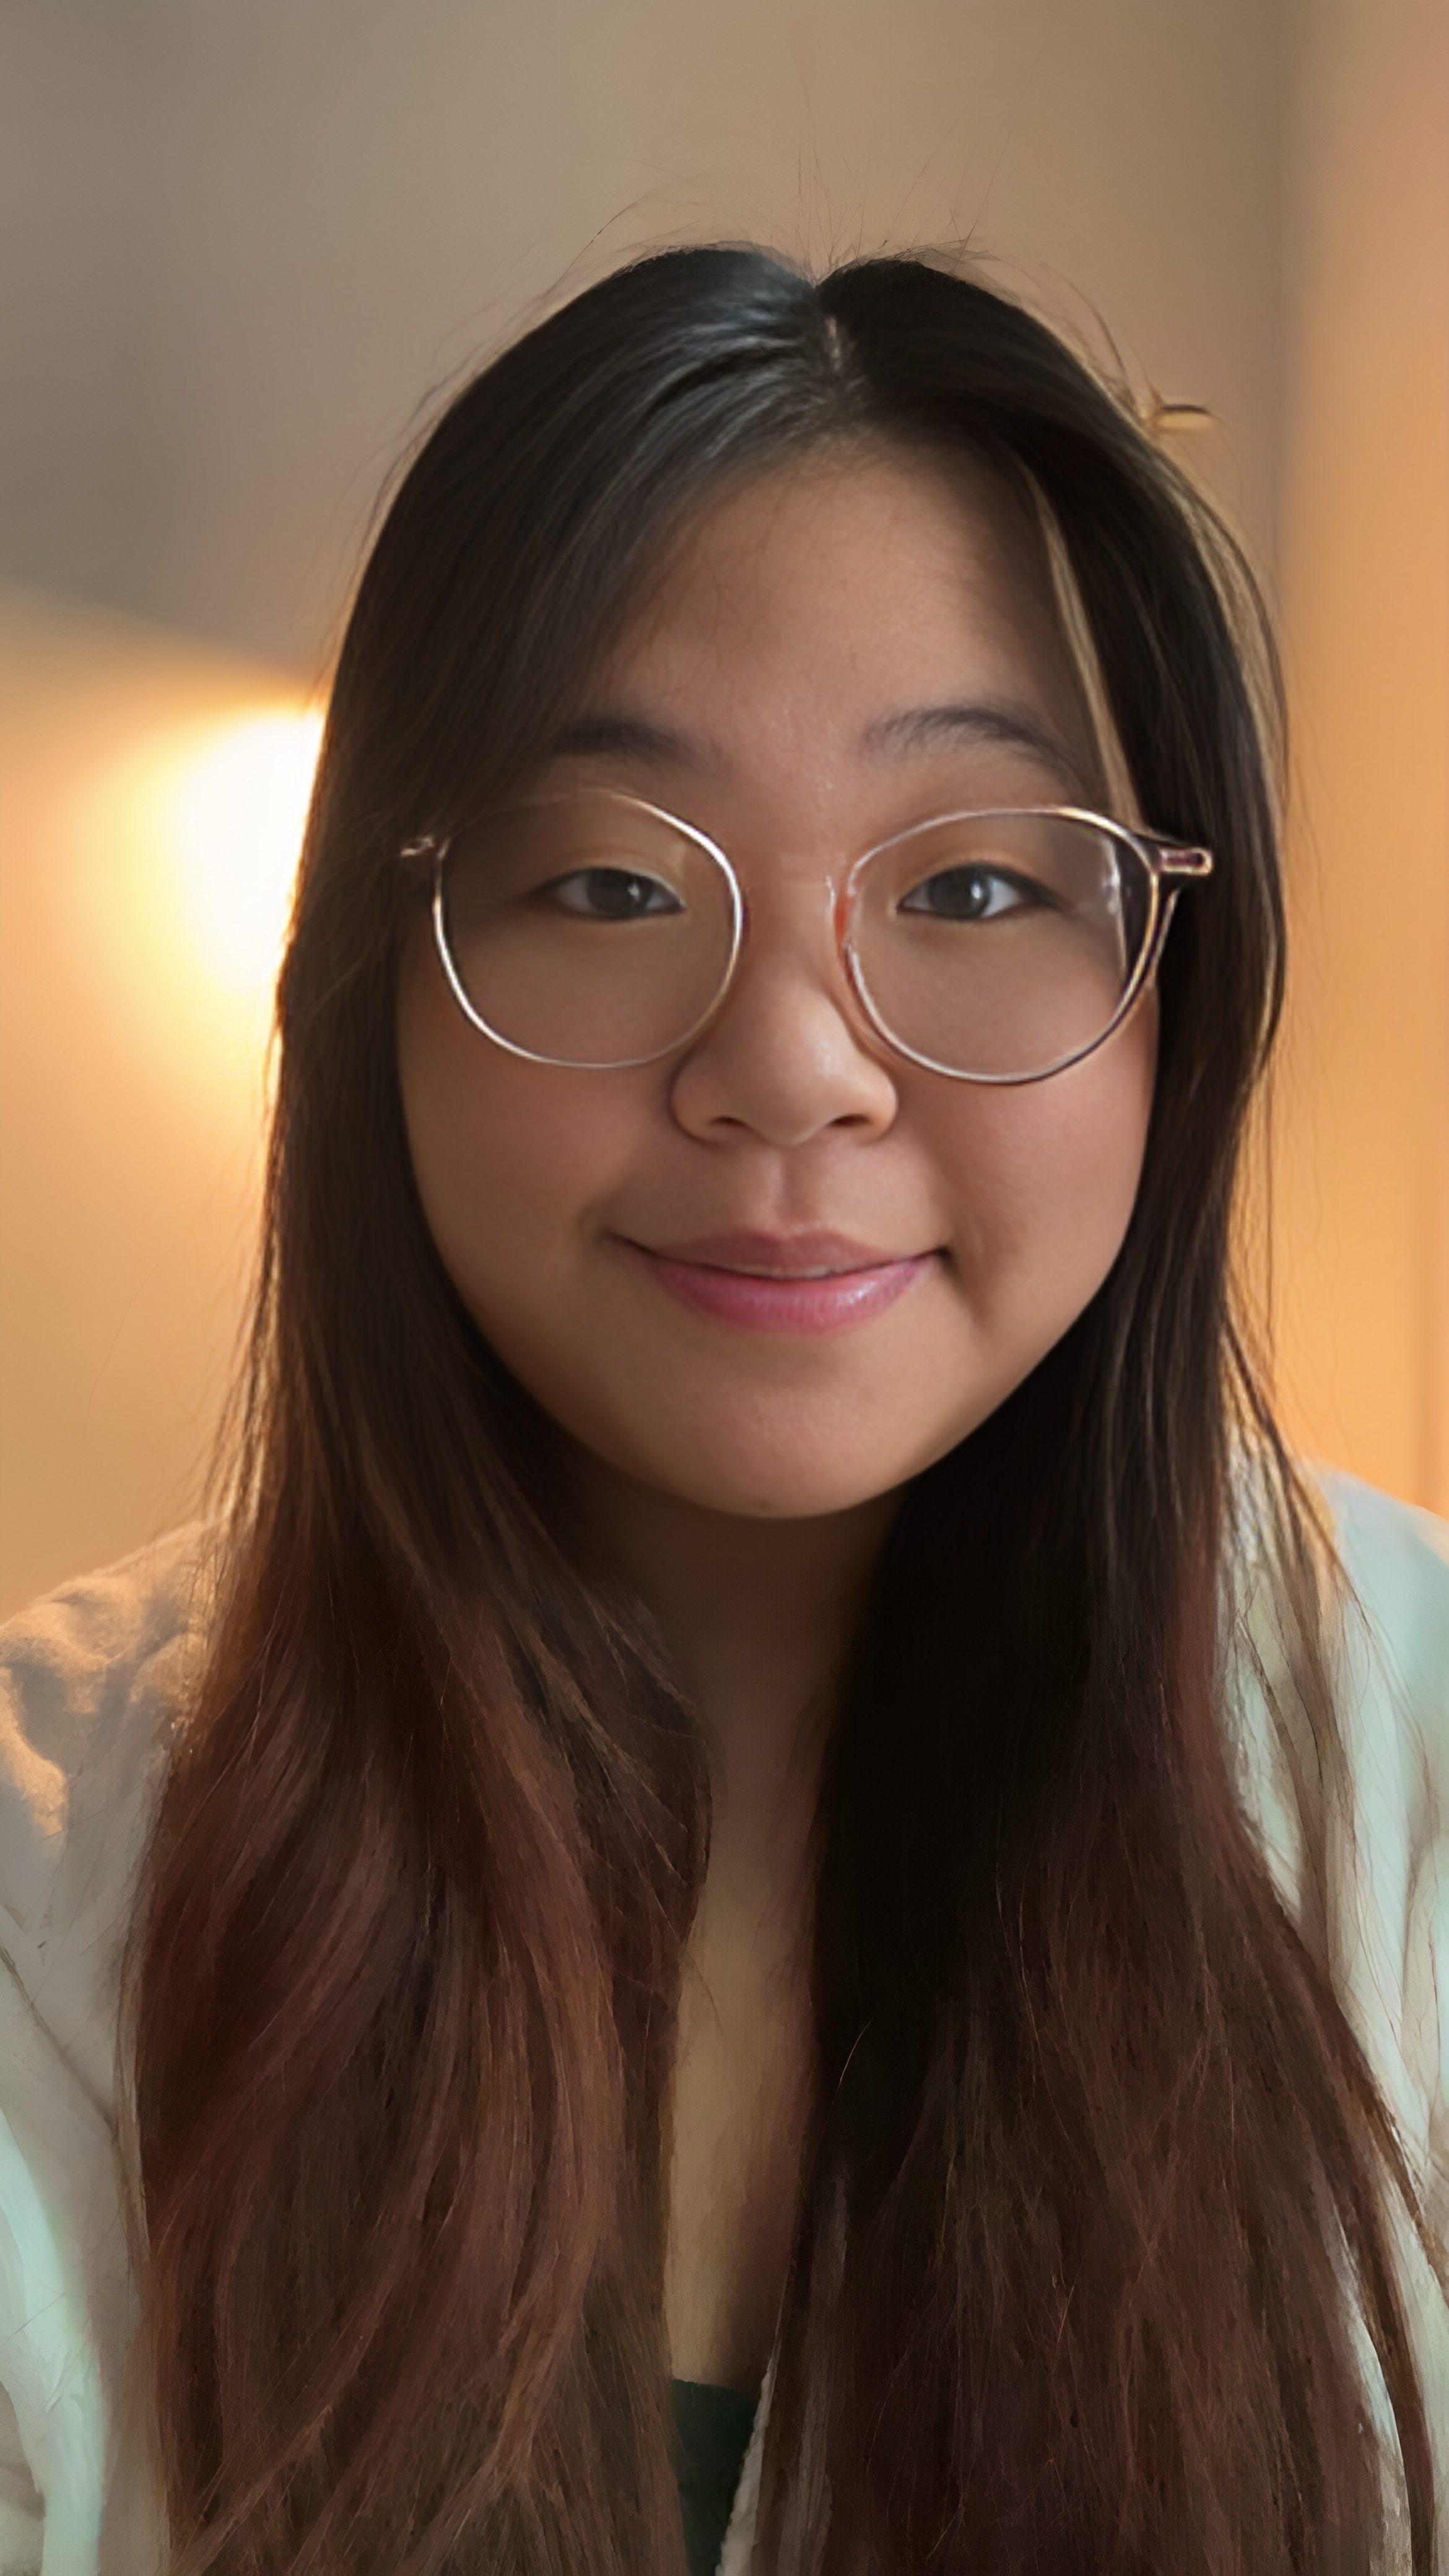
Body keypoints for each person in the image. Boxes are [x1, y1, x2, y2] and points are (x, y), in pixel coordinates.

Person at [1, 245, 1445, 2576]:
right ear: (380, 981)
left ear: (1185, 990)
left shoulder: (1413, 1799)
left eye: (973, 880)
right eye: (599, 879)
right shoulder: (44, 1891)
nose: (789, 1061)